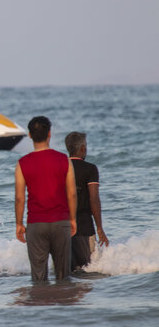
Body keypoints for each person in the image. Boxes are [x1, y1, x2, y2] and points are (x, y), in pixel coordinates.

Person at [15, 116, 77, 281]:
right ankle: (63, 304)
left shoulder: (22, 163)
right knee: (64, 276)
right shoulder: (64, 159)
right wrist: (72, 219)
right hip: (60, 222)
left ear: (29, 135)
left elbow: (19, 198)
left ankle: (40, 306)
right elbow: (71, 193)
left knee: (38, 278)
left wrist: (19, 223)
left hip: (36, 224)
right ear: (49, 133)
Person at [65, 132, 110, 271]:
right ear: (83, 148)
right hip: (84, 225)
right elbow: (94, 199)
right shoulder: (90, 169)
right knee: (88, 269)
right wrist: (99, 227)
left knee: (66, 270)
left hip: (61, 225)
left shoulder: (60, 167)